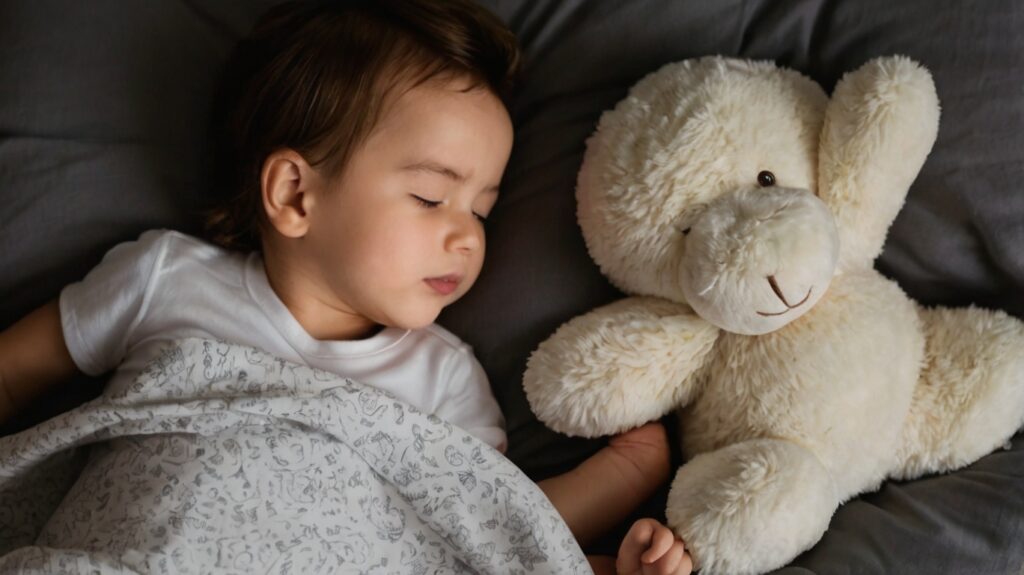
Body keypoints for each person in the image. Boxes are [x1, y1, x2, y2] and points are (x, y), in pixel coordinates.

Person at [0, 1, 692, 573]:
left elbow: (486, 529)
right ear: (295, 193)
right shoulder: (164, 280)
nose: (469, 236)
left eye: (481, 208)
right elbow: (17, 367)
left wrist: (625, 480)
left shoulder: (442, 375)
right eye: (430, 197)